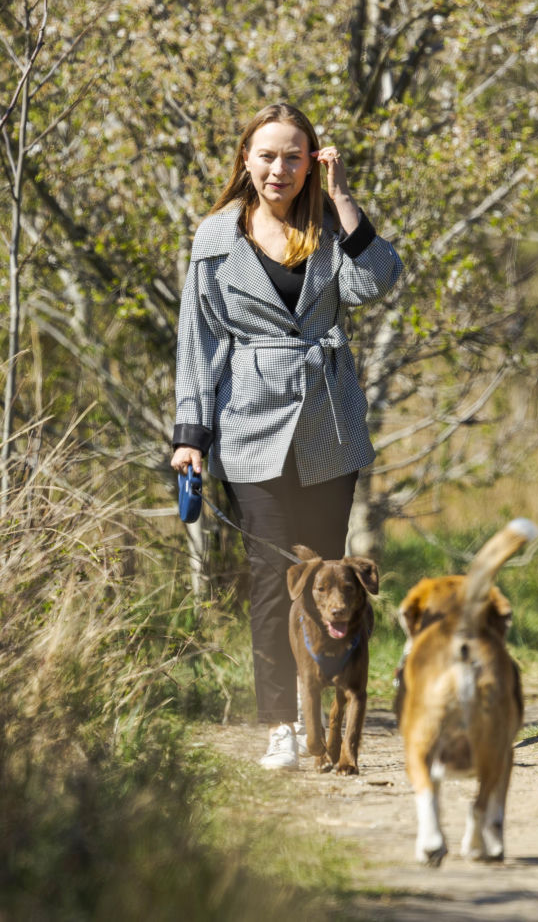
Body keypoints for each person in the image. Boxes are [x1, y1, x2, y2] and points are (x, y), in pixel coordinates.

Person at [170, 102, 402, 769]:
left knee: (329, 580)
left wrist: (343, 198)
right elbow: (198, 340)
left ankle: (325, 719)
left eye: (294, 157)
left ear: (311, 163)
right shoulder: (216, 238)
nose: (280, 169)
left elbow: (376, 280)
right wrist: (191, 433)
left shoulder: (329, 226)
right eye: (267, 155)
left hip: (328, 423)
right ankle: (280, 723)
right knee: (273, 579)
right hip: (249, 425)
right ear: (246, 159)